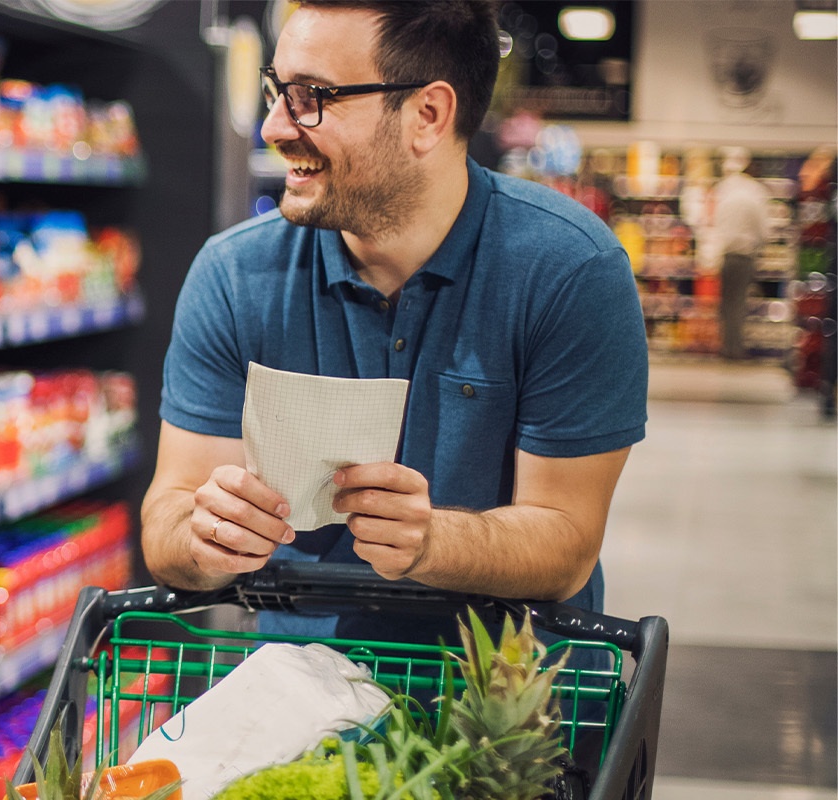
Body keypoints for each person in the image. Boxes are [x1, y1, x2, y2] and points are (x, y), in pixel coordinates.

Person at [142, 0, 648, 645]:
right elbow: (168, 514)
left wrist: (433, 538)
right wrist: (203, 534)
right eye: (276, 91)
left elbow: (567, 540)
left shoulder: (569, 269)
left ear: (427, 115)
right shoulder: (235, 273)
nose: (273, 126)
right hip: (296, 702)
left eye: (311, 97)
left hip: (510, 707)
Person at [711, 146, 770, 360]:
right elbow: (763, 228)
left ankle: (727, 346)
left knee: (727, 303)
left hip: (727, 255)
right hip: (745, 255)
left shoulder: (723, 189)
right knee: (739, 302)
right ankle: (735, 349)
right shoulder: (756, 191)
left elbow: (715, 223)